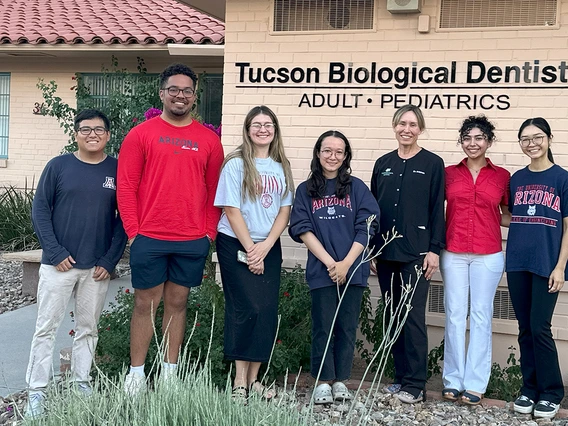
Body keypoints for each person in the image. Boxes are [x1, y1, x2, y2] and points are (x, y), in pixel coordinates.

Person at [117, 63, 224, 395]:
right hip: (149, 236)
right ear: (162, 93)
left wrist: (208, 232)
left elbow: (215, 191)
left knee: (178, 303)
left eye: (187, 91)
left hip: (191, 238)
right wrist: (133, 232)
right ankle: (136, 375)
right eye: (174, 90)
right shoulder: (141, 135)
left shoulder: (208, 141)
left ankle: (169, 374)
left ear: (194, 96)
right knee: (143, 304)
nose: (181, 95)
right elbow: (126, 186)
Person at [25, 109, 127, 417]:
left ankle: (81, 382)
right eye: (85, 129)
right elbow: (40, 211)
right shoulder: (58, 166)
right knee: (46, 328)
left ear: (108, 135)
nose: (92, 134)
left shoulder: (117, 169)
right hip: (58, 266)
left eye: (99, 129)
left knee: (88, 329)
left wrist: (110, 260)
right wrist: (54, 253)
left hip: (96, 268)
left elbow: (124, 219)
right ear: (76, 133)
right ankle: (37, 390)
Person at [289, 130, 380, 404]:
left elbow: (368, 226)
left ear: (346, 156)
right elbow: (302, 229)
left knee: (347, 326)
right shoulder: (305, 191)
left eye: (339, 152)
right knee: (323, 326)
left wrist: (347, 263)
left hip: (353, 269)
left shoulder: (357, 188)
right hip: (322, 270)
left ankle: (341, 379)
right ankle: (322, 380)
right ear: (318, 153)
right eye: (327, 150)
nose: (333, 156)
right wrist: (332, 264)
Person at [214, 105, 294, 402]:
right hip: (236, 243)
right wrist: (251, 250)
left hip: (268, 245)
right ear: (248, 130)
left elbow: (284, 211)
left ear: (275, 129)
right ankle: (238, 382)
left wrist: (265, 247)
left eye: (268, 124)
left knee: (266, 312)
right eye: (256, 124)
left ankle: (254, 380)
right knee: (244, 308)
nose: (263, 129)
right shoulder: (236, 163)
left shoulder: (280, 164)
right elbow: (231, 210)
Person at [370, 104, 445, 404]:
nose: (407, 129)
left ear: (420, 129)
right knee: (393, 314)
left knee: (412, 316)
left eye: (413, 124)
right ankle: (400, 378)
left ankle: (415, 385)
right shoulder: (383, 163)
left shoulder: (432, 163)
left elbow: (437, 209)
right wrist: (372, 249)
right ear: (394, 126)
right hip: (386, 252)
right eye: (402, 123)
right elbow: (374, 209)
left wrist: (434, 250)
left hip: (416, 253)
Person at [439, 116, 510, 405]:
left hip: (488, 253)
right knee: (455, 315)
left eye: (479, 138)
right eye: (467, 138)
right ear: (461, 141)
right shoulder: (448, 174)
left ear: (489, 141)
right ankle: (453, 380)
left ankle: (476, 383)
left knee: (481, 316)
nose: (472, 143)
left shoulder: (503, 176)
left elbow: (507, 214)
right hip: (453, 251)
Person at [506, 118, 567, 419]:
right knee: (525, 328)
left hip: (546, 265)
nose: (532, 143)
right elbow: (509, 216)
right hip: (517, 262)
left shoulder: (562, 179)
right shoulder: (516, 179)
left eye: (537, 137)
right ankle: (529, 389)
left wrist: (561, 267)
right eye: (525, 139)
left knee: (540, 327)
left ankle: (552, 392)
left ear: (549, 139)